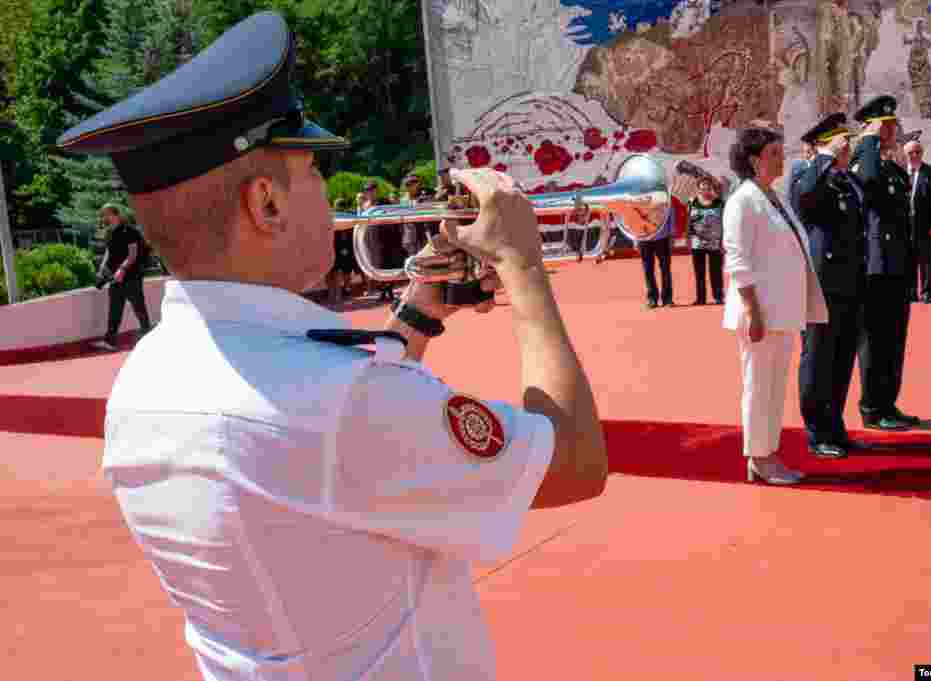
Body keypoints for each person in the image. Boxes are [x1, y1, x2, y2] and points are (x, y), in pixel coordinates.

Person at [57, 12, 607, 681]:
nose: (327, 191)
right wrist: (524, 269)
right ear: (268, 204)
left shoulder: (143, 381)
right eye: (314, 172)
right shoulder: (336, 402)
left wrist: (418, 313)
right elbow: (576, 461)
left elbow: (329, 458)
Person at [722, 126, 828, 485]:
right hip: (760, 314)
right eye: (773, 154)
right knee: (758, 386)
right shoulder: (743, 201)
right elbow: (737, 260)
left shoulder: (773, 196)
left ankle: (767, 454)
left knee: (773, 387)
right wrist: (752, 310)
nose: (782, 159)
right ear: (754, 160)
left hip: (782, 312)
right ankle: (759, 457)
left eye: (781, 152)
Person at [792, 113, 868, 460]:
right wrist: (822, 156)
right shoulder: (807, 176)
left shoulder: (846, 180)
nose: (847, 146)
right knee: (818, 359)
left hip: (850, 282)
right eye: (842, 140)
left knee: (841, 359)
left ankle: (835, 426)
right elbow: (804, 197)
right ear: (825, 143)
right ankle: (817, 432)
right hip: (821, 285)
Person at [850, 95, 919, 431]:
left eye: (891, 125)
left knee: (894, 340)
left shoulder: (891, 165)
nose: (891, 129)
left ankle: (888, 403)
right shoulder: (865, 162)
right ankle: (872, 408)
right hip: (875, 267)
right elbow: (869, 182)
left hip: (898, 265)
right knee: (875, 341)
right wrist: (868, 140)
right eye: (885, 125)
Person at [91, 203, 152, 352]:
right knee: (115, 309)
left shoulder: (129, 231)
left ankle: (148, 335)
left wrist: (122, 270)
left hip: (131, 276)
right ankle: (110, 341)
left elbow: (133, 254)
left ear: (115, 214)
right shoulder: (111, 232)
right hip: (115, 277)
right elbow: (109, 251)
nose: (103, 217)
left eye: (106, 214)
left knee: (139, 307)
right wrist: (102, 269)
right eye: (103, 215)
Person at [905, 139, 931, 303]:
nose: (914, 155)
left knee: (926, 260)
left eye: (917, 152)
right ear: (905, 155)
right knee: (909, 260)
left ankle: (928, 292)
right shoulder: (899, 172)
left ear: (922, 153)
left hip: (925, 224)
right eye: (910, 153)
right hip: (905, 225)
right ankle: (911, 292)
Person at [687, 176, 725, 305]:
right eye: (702, 188)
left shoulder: (720, 203)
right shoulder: (692, 203)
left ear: (712, 188)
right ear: (698, 189)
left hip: (715, 243)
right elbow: (688, 222)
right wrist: (687, 239)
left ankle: (718, 296)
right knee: (699, 272)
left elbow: (724, 222)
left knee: (716, 271)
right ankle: (701, 298)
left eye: (708, 188)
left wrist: (723, 241)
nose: (705, 191)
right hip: (697, 243)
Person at [327, 197, 357, 307]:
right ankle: (335, 293)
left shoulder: (347, 216)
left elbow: (348, 232)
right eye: (337, 205)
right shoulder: (332, 216)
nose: (338, 207)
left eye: (340, 205)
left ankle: (346, 289)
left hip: (345, 247)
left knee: (346, 270)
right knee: (333, 271)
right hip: (334, 246)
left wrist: (346, 248)